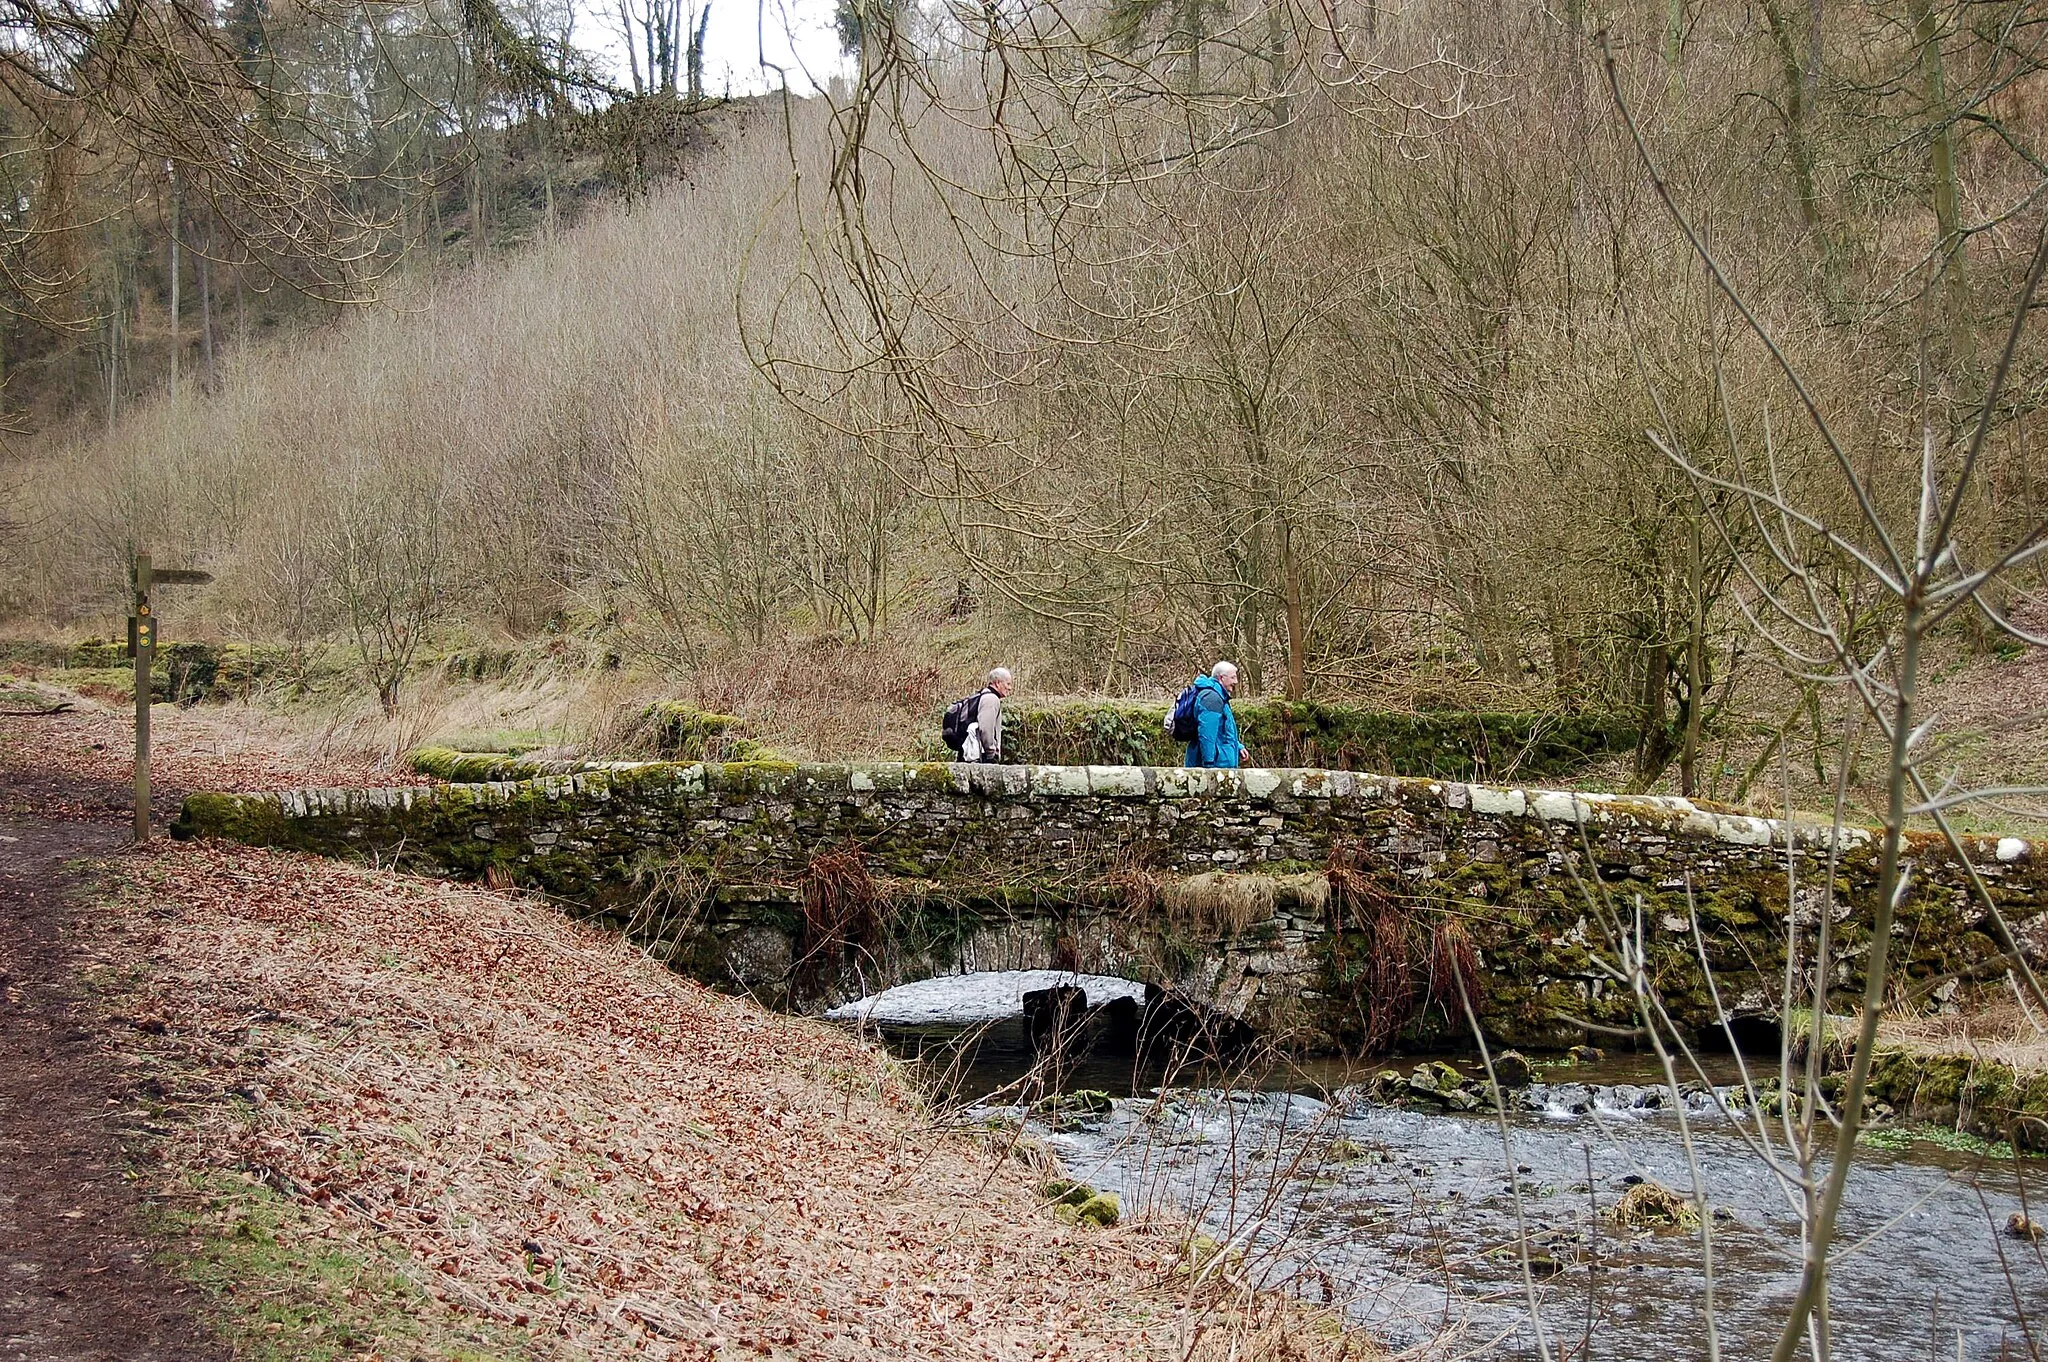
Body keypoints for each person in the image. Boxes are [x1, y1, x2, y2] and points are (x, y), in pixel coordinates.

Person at [1184, 661, 1245, 769]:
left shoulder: (1219, 696)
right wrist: (1209, 766)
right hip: (1217, 766)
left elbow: (1223, 730)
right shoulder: (1211, 699)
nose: (1235, 682)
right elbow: (1207, 734)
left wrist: (1238, 746)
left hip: (1221, 763)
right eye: (1233, 678)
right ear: (1221, 678)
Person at [962, 666, 1013, 763]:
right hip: (981, 756)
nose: (1010, 688)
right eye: (1008, 684)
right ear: (998, 683)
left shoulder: (983, 695)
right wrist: (991, 753)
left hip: (974, 752)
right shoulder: (991, 699)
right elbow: (985, 728)